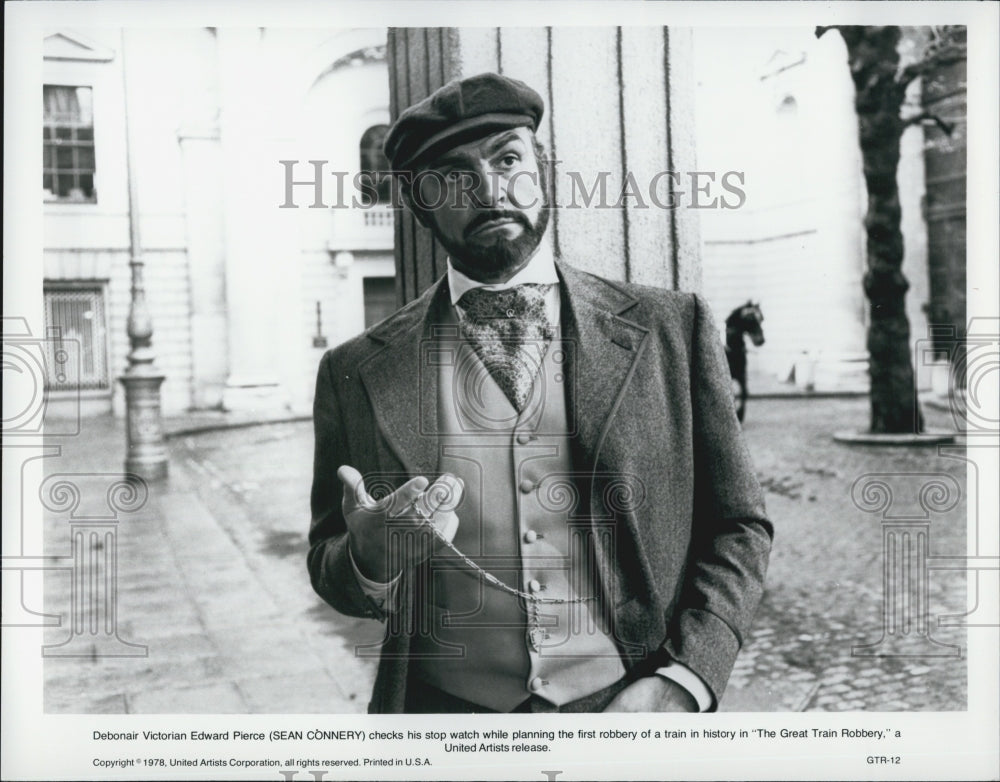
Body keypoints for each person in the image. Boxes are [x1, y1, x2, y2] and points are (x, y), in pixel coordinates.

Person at [308, 72, 773, 714]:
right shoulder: (354, 371)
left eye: (507, 158)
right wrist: (366, 555)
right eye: (450, 175)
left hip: (628, 712)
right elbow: (327, 559)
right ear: (418, 204)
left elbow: (739, 525)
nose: (491, 190)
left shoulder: (672, 328)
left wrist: (685, 679)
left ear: (543, 170)